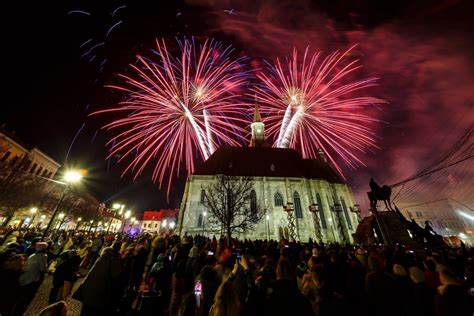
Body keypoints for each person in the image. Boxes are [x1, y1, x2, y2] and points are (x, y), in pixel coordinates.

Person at [74, 247, 124, 315]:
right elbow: (118, 278)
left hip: (88, 291)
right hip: (99, 294)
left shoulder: (100, 259)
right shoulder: (113, 262)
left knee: (85, 310)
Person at [13, 241, 48, 315]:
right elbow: (43, 269)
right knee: (27, 298)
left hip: (25, 278)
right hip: (33, 279)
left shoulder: (32, 255)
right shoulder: (44, 256)